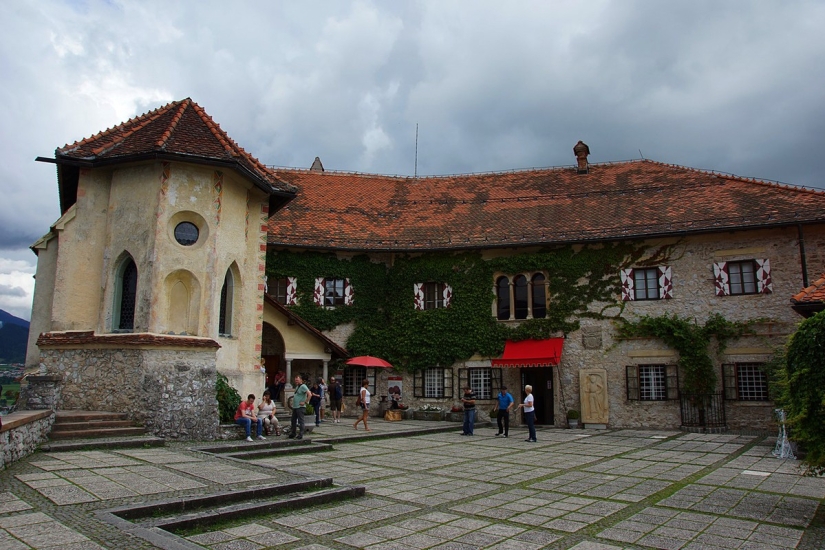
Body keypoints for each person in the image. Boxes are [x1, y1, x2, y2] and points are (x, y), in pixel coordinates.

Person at [290, 375, 309, 439]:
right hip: (295, 407)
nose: (296, 381)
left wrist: (305, 402)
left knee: (301, 421)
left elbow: (309, 394)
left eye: (297, 380)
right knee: (293, 420)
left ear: (301, 380)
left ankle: (301, 434)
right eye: (295, 380)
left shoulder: (303, 386)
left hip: (300, 407)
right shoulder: (297, 387)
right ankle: (293, 433)